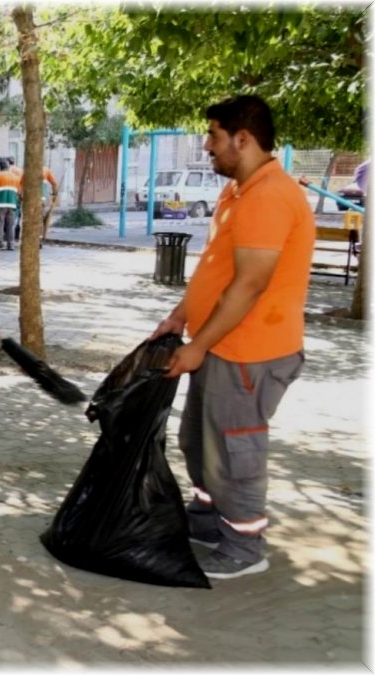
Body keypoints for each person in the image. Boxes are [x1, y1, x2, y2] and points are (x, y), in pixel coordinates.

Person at [149, 95, 313, 580]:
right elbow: (216, 270)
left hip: (251, 351)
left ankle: (244, 544)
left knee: (233, 449)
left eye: (214, 136)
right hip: (218, 343)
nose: (207, 146)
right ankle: (206, 518)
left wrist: (197, 346)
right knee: (198, 440)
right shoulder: (239, 191)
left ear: (243, 139)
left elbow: (249, 284)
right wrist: (181, 317)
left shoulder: (269, 197)